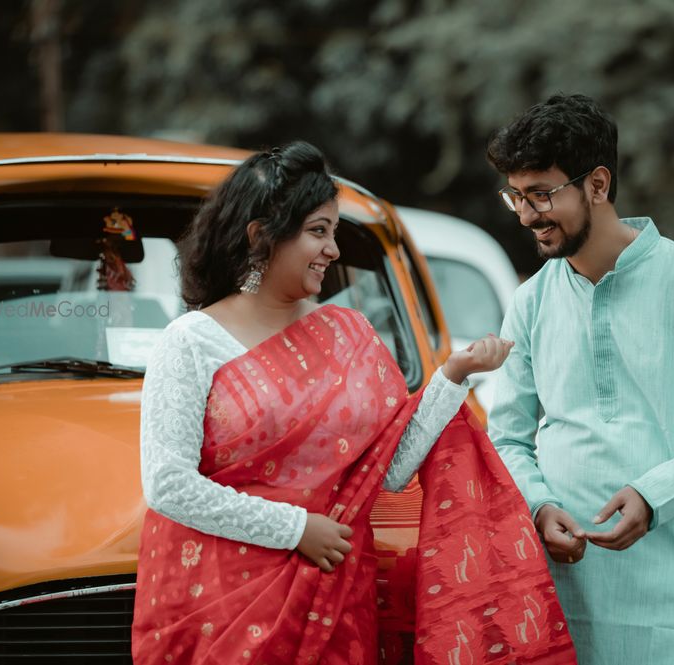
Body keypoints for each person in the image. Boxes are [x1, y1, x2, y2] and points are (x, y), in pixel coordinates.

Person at [131, 141, 575, 664]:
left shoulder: (345, 333)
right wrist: (296, 529)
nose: (333, 250)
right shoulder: (191, 341)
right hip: (224, 610)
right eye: (318, 231)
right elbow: (167, 483)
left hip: (335, 597)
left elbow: (386, 469)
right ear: (261, 236)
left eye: (334, 232)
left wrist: (453, 376)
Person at [485, 94, 674, 665]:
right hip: (568, 594)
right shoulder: (531, 301)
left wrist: (653, 496)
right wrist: (539, 505)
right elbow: (508, 438)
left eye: (542, 194)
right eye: (516, 196)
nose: (526, 215)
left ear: (597, 183)